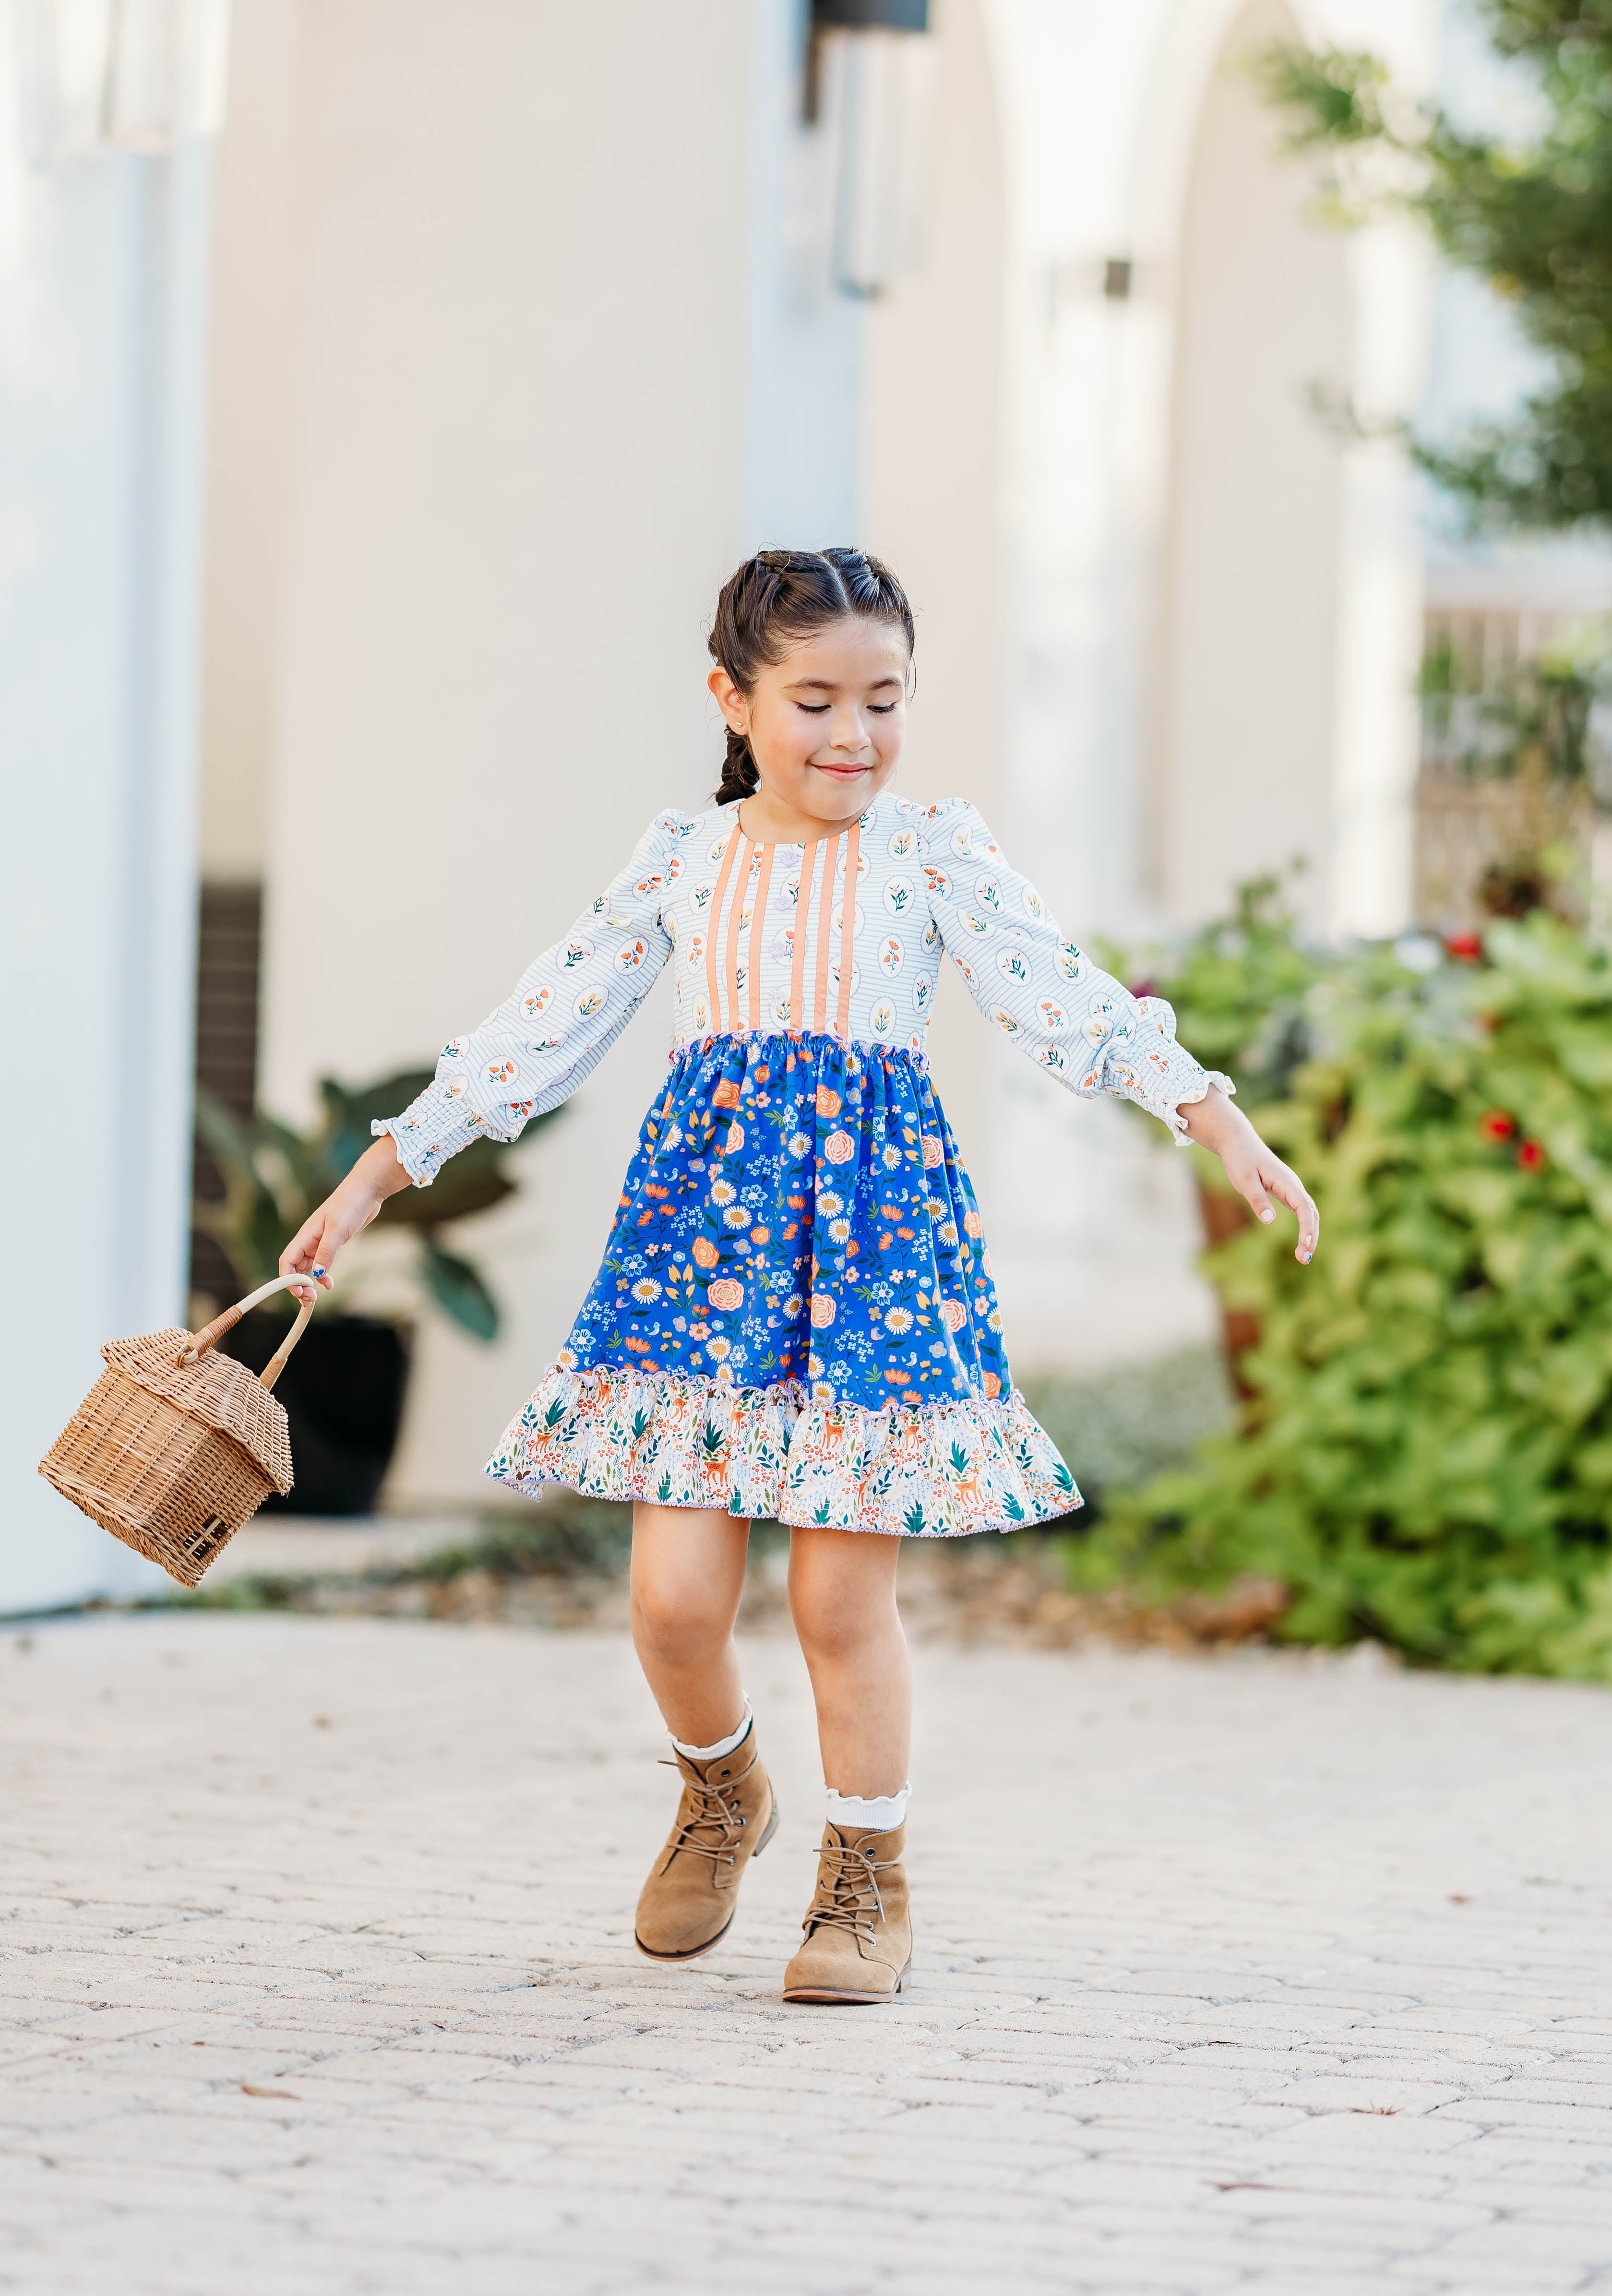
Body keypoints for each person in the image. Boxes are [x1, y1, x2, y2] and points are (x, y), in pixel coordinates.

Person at [280, 547, 1319, 2004]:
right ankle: (724, 1791)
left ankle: (867, 1879)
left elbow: (1067, 994)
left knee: (839, 1606)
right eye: (817, 699)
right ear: (733, 698)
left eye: (884, 700)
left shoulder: (933, 853)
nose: (855, 736)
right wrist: (379, 1173)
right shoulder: (684, 861)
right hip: (702, 1254)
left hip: (879, 1258)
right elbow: (547, 1024)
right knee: (674, 1606)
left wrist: (1213, 1117)